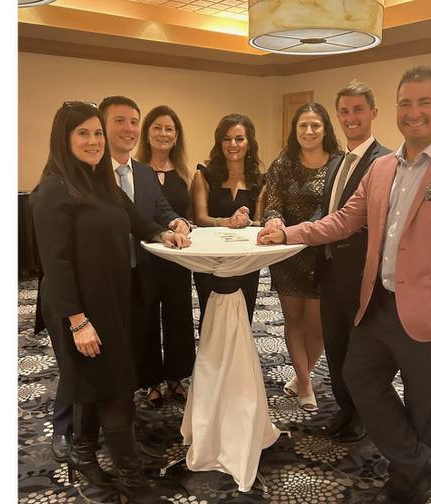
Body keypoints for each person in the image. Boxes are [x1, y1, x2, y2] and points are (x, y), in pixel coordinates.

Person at [258, 66, 431, 504]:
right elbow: (343, 220)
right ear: (395, 110)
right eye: (406, 103)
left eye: (424, 102)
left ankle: (411, 481)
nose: (414, 112)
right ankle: (420, 462)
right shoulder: (382, 167)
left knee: (425, 402)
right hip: (377, 303)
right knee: (358, 376)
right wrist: (290, 233)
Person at [31, 101, 190, 504]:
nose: (93, 141)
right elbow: (57, 266)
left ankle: (83, 453)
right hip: (77, 308)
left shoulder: (101, 182)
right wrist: (78, 321)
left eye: (97, 133)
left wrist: (162, 231)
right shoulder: (53, 190)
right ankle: (133, 482)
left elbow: (135, 219)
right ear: (64, 139)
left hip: (110, 300)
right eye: (83, 133)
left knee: (93, 382)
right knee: (116, 388)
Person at [316, 80, 392, 443]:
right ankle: (345, 409)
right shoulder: (336, 162)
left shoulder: (387, 162)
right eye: (344, 111)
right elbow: (330, 210)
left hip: (363, 275)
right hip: (330, 271)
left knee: (362, 353)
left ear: (373, 113)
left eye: (358, 109)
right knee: (335, 346)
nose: (350, 118)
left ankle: (362, 415)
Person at [262, 102, 343, 412]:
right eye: (303, 126)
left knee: (319, 326)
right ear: (294, 131)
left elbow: (337, 211)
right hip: (289, 254)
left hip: (324, 254)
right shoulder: (283, 164)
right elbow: (273, 204)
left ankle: (302, 373)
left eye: (315, 126)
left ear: (325, 129)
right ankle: (305, 382)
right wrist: (273, 220)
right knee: (294, 321)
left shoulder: (337, 164)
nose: (309, 131)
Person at [134, 105, 196, 408]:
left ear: (176, 136)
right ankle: (150, 382)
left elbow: (190, 214)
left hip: (177, 259)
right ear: (147, 132)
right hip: (144, 258)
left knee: (178, 317)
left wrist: (186, 224)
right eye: (157, 127)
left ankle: (176, 376)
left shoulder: (184, 171)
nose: (163, 133)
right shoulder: (134, 170)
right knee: (146, 319)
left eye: (169, 129)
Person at [190, 113, 264, 328]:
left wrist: (248, 223)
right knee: (211, 316)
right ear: (219, 143)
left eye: (239, 139)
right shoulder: (203, 176)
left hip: (245, 260)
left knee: (243, 316)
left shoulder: (259, 181)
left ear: (249, 143)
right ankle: (210, 362)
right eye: (226, 138)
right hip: (209, 259)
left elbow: (259, 221)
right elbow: (200, 218)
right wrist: (228, 222)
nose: (233, 144)